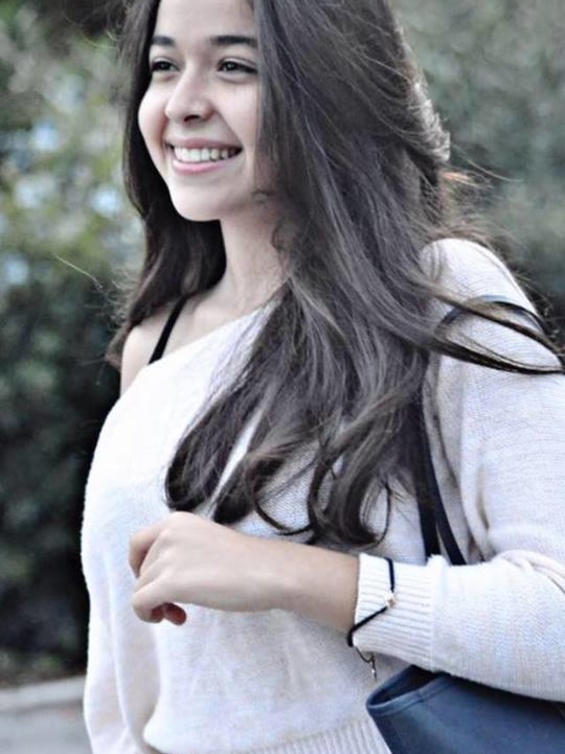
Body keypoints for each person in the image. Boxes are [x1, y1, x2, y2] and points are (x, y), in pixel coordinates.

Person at [81, 0, 565, 752]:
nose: (182, 104)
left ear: (328, 83)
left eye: (234, 66)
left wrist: (291, 575)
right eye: (164, 66)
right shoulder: (155, 345)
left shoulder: (436, 294)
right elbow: (129, 685)